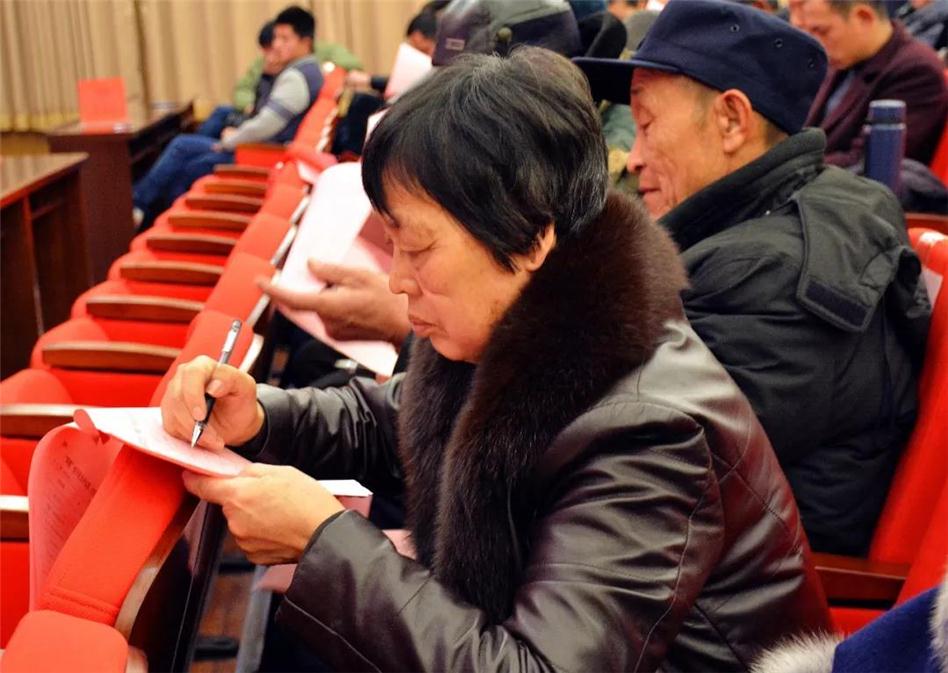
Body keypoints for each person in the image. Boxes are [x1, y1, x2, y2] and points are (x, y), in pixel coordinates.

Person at [161, 47, 829, 671]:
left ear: (530, 237)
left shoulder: (649, 430)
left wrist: (325, 544)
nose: (396, 279)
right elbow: (394, 418)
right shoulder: (526, 324)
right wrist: (259, 416)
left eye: (417, 249)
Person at [575, 0, 931, 556]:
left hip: (737, 593)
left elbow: (648, 469)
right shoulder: (765, 228)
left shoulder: (770, 277)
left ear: (731, 121)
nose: (634, 157)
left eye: (647, 125)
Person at [132, 6, 323, 228]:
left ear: (305, 42)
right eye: (276, 38)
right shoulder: (310, 71)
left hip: (261, 153)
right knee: (186, 150)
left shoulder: (295, 77)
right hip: (264, 149)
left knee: (185, 155)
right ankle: (148, 214)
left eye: (285, 39)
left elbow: (265, 125)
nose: (277, 44)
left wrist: (229, 141)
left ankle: (150, 216)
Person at [794, 0, 947, 167]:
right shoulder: (847, 58)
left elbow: (870, 162)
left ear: (864, 17)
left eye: (821, 31)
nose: (815, 43)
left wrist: (790, 166)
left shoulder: (916, 71)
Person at [197, 21, 283, 140]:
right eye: (264, 49)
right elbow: (240, 89)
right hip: (253, 111)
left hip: (267, 120)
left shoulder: (293, 69)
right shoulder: (261, 63)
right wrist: (248, 104)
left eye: (269, 48)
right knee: (221, 111)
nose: (266, 54)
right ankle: (204, 144)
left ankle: (207, 146)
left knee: (180, 144)